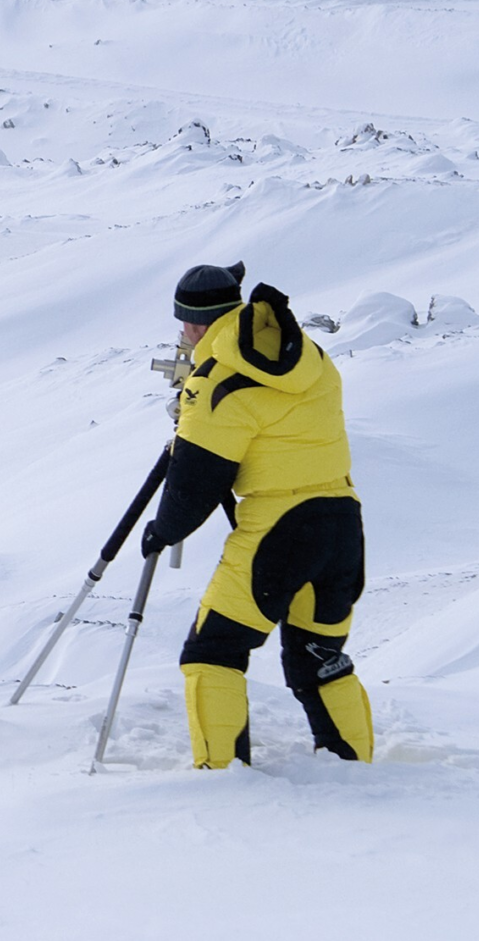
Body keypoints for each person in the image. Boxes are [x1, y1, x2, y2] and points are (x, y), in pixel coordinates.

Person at [140, 262, 373, 769]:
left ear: (197, 324)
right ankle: (355, 769)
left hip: (280, 525)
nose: (181, 335)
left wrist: (163, 531)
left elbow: (196, 485)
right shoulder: (305, 352)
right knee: (320, 656)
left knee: (213, 652)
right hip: (342, 518)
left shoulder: (217, 378)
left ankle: (220, 776)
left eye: (183, 324)